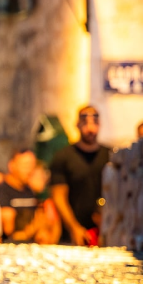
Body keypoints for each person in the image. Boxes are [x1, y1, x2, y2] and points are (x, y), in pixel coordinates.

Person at [49, 105, 111, 246]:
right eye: (85, 123)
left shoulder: (110, 155)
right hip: (73, 234)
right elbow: (59, 196)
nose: (90, 129)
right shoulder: (63, 156)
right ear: (77, 125)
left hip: (104, 231)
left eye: (94, 123)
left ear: (99, 125)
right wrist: (74, 227)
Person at [0, 148, 41, 242]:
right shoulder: (2, 191)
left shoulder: (30, 191)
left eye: (32, 165)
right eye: (25, 165)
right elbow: (8, 230)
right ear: (12, 166)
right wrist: (32, 230)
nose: (29, 170)